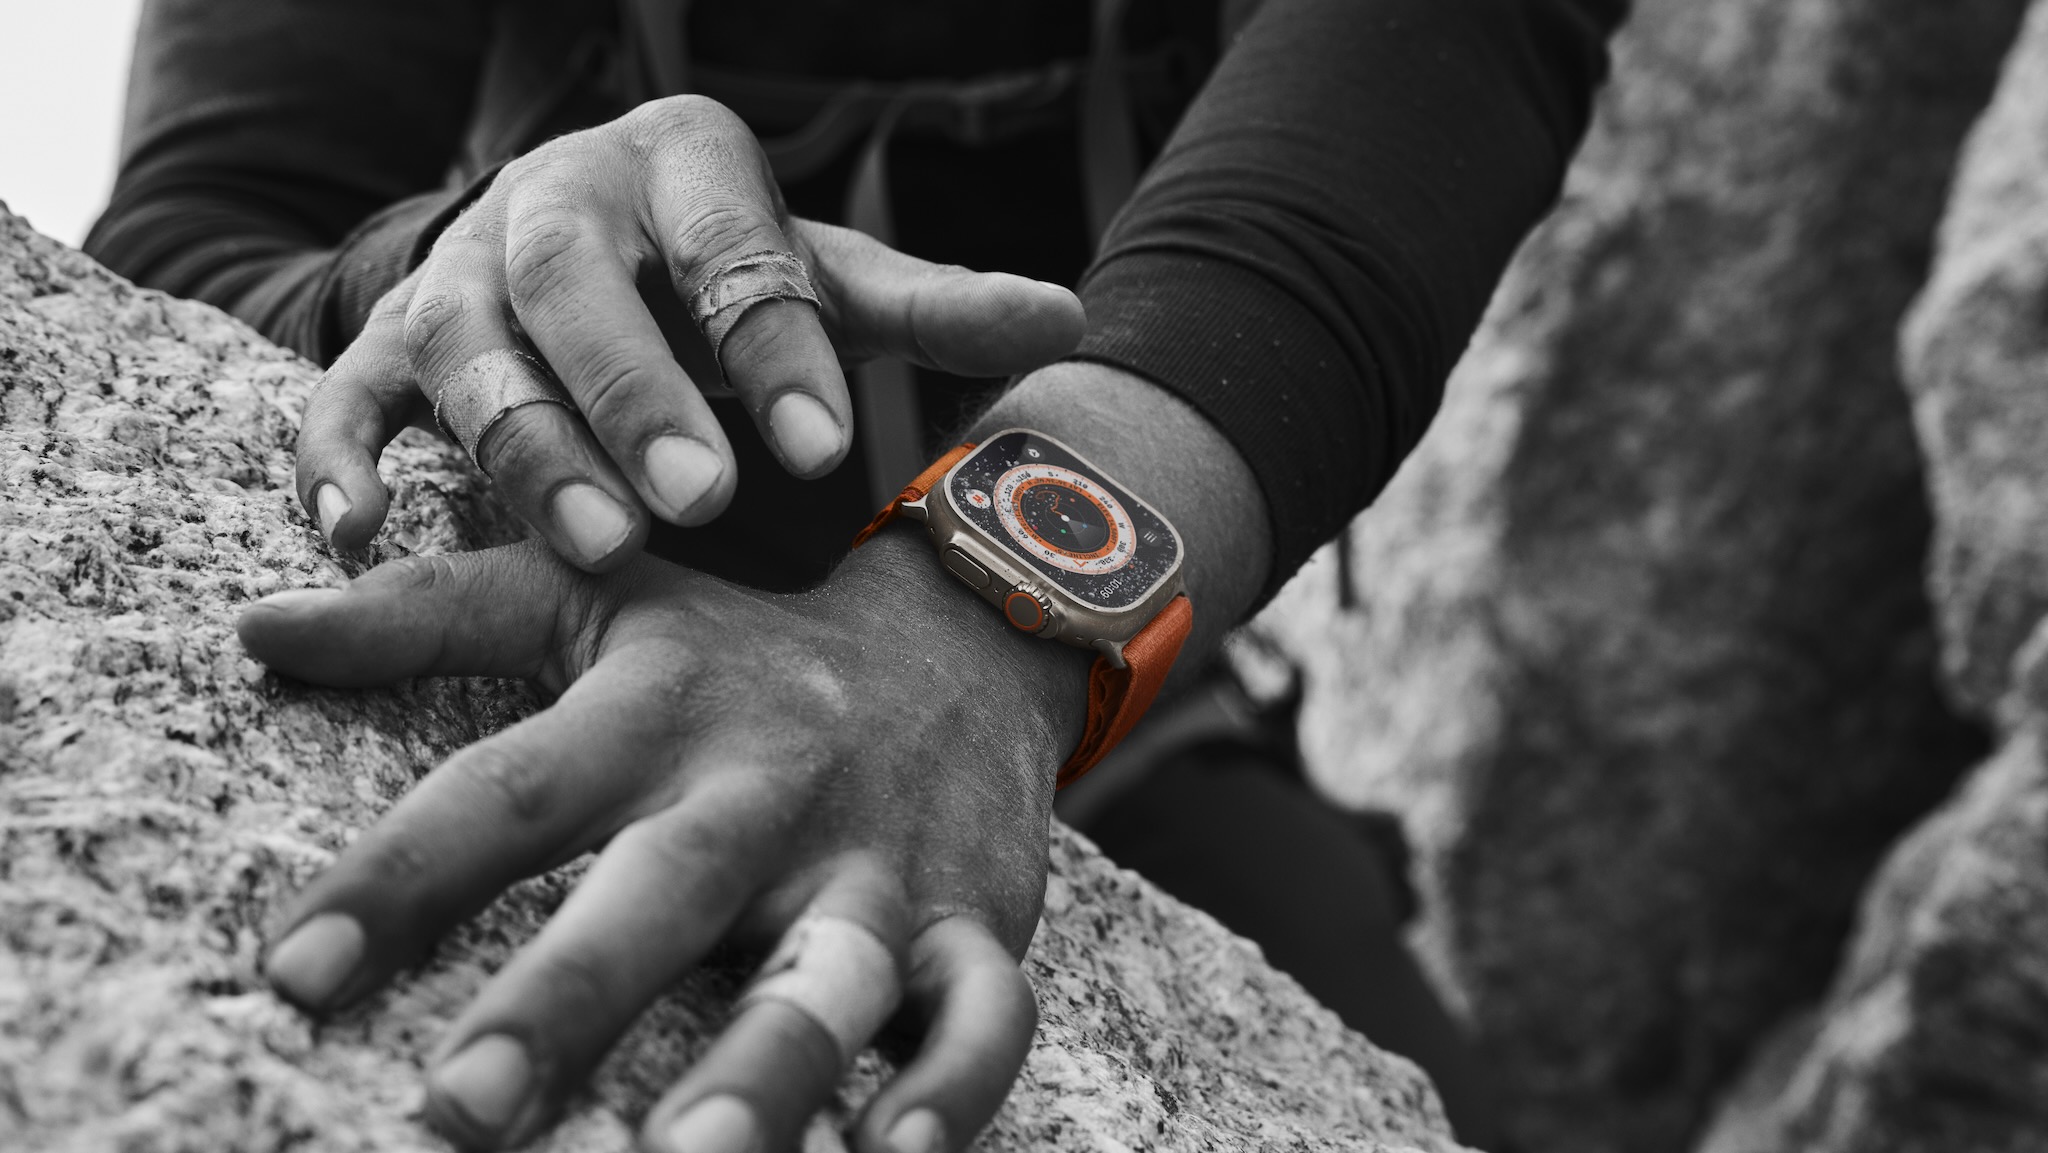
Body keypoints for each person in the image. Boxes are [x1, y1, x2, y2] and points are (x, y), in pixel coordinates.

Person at [87, 2, 1628, 1150]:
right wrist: (464, 271)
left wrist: (970, 623)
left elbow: (1438, 57)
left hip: (1123, 706)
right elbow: (190, 234)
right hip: (591, 565)